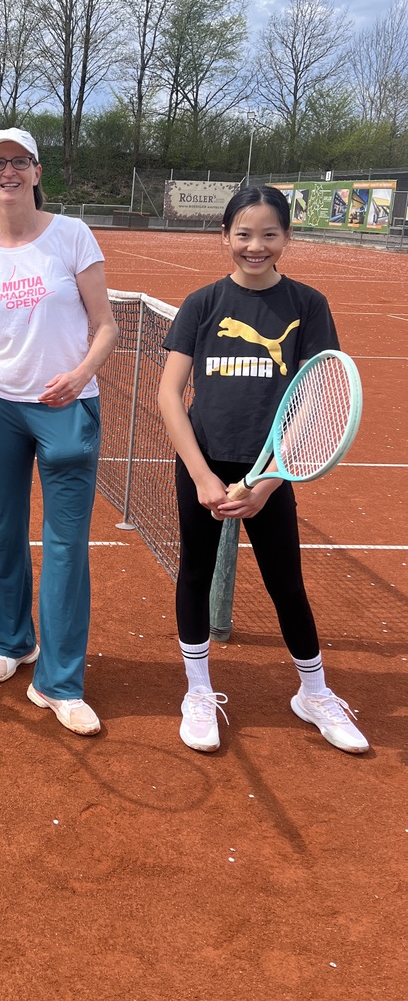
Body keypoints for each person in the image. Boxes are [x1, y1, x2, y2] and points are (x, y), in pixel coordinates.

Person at [157, 185, 369, 754]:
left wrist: (269, 481)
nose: (256, 246)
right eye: (244, 234)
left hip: (272, 469)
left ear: (287, 238)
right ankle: (198, 691)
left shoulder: (307, 305)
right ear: (224, 236)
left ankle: (314, 693)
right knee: (195, 574)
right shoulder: (201, 305)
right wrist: (202, 476)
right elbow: (170, 395)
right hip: (203, 464)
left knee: (285, 582)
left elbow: (318, 398)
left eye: (269, 234)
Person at [0, 128, 118, 735]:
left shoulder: (72, 236)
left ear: (37, 173)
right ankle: (14, 642)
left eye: (19, 162)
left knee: (66, 546)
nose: (8, 172)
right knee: (4, 530)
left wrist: (81, 374)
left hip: (69, 407)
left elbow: (107, 326)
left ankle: (61, 683)